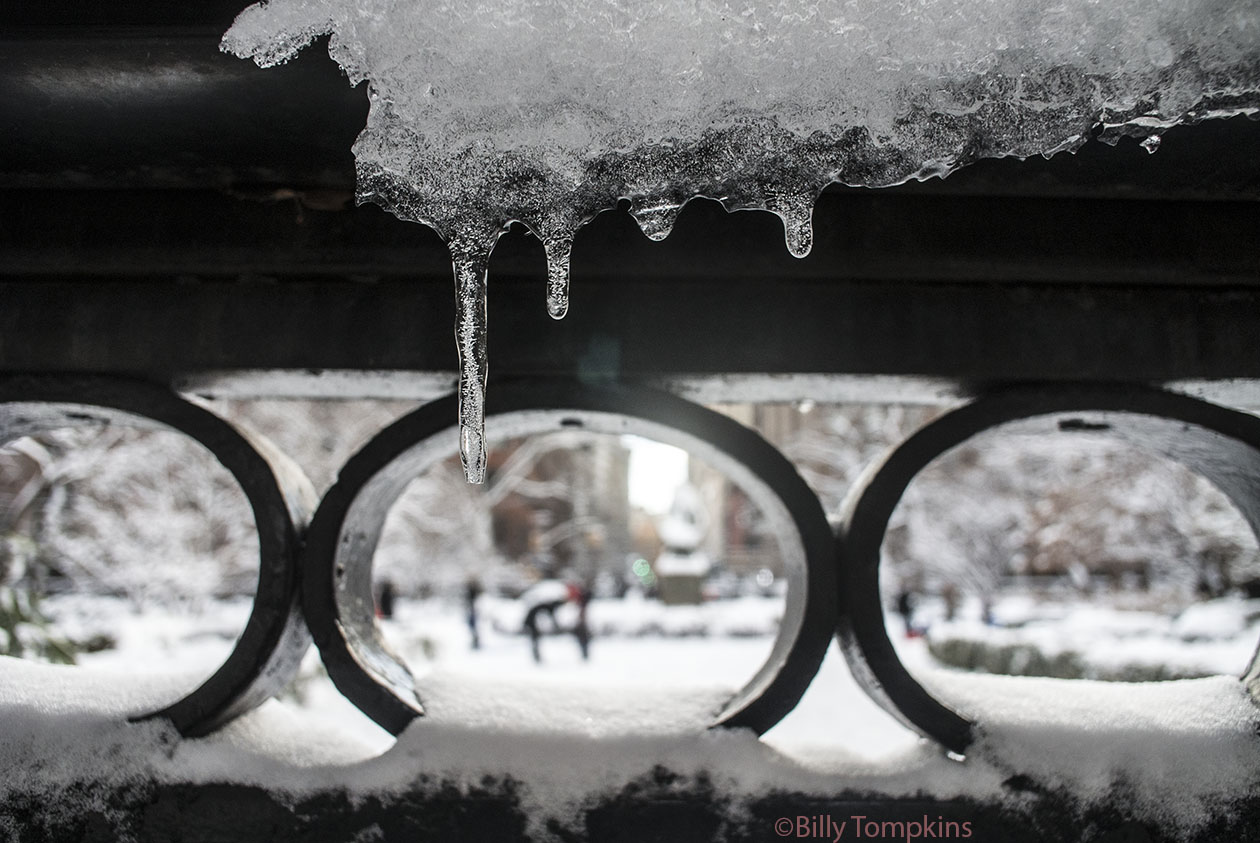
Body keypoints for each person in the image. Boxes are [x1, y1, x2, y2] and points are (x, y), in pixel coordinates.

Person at [464, 576, 483, 650]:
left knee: (474, 629)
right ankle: (475, 642)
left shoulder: (475, 594)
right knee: (473, 628)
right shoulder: (470, 593)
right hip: (472, 612)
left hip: (474, 612)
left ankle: (476, 642)